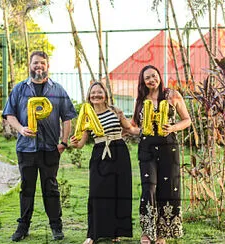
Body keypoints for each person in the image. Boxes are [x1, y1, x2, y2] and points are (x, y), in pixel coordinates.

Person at [2, 50, 77, 242]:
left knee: (50, 188)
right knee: (27, 188)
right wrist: (20, 129)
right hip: (26, 148)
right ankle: (23, 227)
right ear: (30, 65)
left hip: (50, 149)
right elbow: (9, 115)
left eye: (42, 63)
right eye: (35, 63)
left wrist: (64, 142)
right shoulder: (19, 89)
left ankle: (56, 227)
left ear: (48, 66)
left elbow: (67, 117)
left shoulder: (58, 90)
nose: (39, 66)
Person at [70, 82, 140, 244]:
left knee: (119, 191)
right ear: (89, 96)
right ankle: (92, 234)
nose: (96, 95)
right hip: (100, 153)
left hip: (119, 151)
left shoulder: (115, 110)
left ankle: (116, 231)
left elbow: (129, 128)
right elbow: (80, 143)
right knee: (97, 192)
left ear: (105, 95)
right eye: (93, 93)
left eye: (99, 92)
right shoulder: (87, 115)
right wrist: (74, 143)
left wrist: (148, 130)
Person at [132, 65, 191, 244]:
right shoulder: (141, 100)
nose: (151, 80)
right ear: (143, 81)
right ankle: (147, 231)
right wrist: (125, 127)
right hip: (147, 148)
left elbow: (187, 120)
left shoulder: (172, 95)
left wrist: (172, 127)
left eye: (154, 76)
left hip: (169, 148)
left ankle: (162, 233)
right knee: (149, 187)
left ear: (159, 76)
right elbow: (135, 126)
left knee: (168, 188)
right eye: (147, 77)